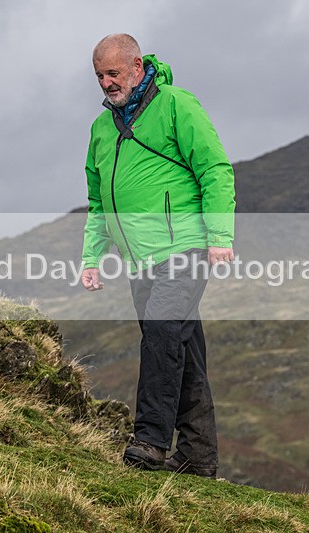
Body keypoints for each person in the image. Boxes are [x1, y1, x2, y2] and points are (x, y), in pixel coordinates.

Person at [80, 34, 235, 479]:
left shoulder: (175, 104)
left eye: (113, 73)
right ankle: (197, 457)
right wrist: (92, 257)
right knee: (181, 350)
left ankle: (149, 441)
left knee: (162, 334)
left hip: (184, 246)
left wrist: (219, 235)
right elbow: (98, 201)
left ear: (136, 66)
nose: (106, 83)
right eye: (99, 76)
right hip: (140, 260)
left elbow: (215, 169)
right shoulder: (102, 128)